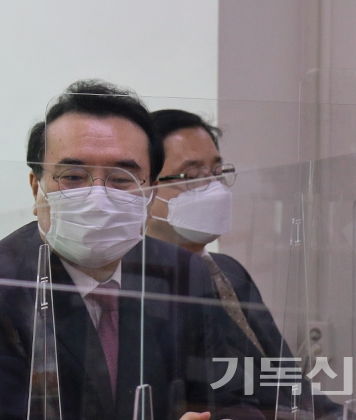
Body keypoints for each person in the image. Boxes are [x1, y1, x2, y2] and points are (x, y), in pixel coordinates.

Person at [0, 81, 263, 420]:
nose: (98, 198)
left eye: (122, 179)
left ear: (150, 194)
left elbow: (238, 400)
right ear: (36, 188)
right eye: (73, 177)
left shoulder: (183, 273)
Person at [147, 109, 345, 420]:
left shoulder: (230, 270)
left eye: (217, 172)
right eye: (192, 176)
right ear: (145, 189)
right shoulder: (141, 290)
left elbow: (290, 382)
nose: (214, 188)